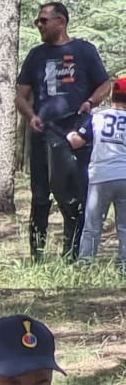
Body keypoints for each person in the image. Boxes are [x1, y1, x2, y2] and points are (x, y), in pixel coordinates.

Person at [16, 1, 114, 260]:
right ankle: (37, 255)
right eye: (38, 21)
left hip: (75, 133)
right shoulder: (36, 55)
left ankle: (71, 254)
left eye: (44, 20)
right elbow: (20, 95)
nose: (39, 25)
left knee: (74, 197)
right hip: (43, 134)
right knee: (39, 196)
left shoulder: (83, 50)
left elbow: (105, 84)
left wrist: (90, 102)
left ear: (61, 21)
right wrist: (31, 115)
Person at [69, 82, 126, 266]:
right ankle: (124, 265)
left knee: (92, 226)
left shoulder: (97, 118)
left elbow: (77, 141)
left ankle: (85, 263)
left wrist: (69, 135)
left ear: (112, 97)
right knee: (124, 227)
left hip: (101, 177)